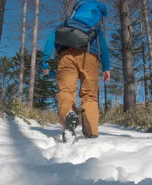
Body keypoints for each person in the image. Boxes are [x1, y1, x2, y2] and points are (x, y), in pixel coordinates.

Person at [41, 0, 111, 141]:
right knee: (89, 95)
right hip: (89, 57)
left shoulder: (66, 23)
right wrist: (106, 68)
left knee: (66, 91)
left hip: (66, 56)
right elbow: (103, 48)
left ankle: (68, 116)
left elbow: (51, 39)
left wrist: (45, 60)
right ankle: (91, 131)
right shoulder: (94, 29)